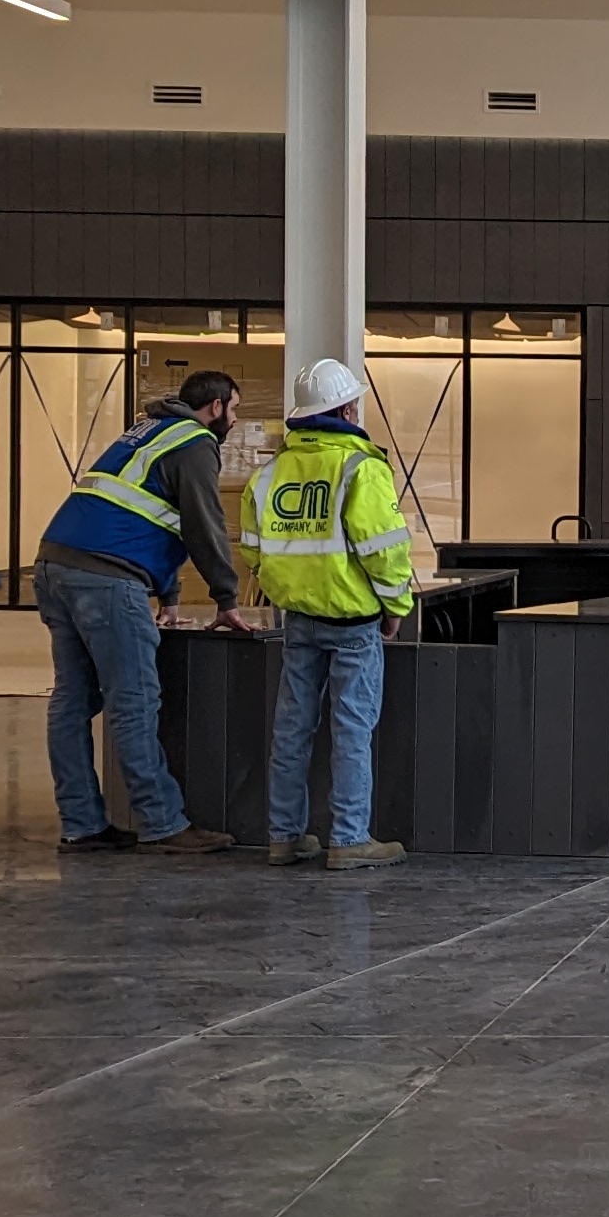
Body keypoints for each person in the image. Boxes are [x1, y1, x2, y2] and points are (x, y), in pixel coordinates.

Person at [32, 371, 246, 854]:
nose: (234, 420)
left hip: (54, 564)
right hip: (107, 578)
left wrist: (167, 597)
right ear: (214, 407)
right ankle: (163, 822)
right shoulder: (195, 441)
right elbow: (203, 523)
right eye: (233, 409)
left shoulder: (145, 431)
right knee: (134, 701)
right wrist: (226, 598)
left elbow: (150, 513)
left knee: (71, 701)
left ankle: (81, 823)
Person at [241, 357, 414, 871]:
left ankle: (284, 837)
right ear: (349, 408)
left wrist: (291, 590)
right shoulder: (361, 467)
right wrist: (395, 606)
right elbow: (383, 550)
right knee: (352, 730)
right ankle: (348, 838)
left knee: (291, 731)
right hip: (354, 623)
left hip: (297, 620)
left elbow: (253, 550)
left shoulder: (270, 472)